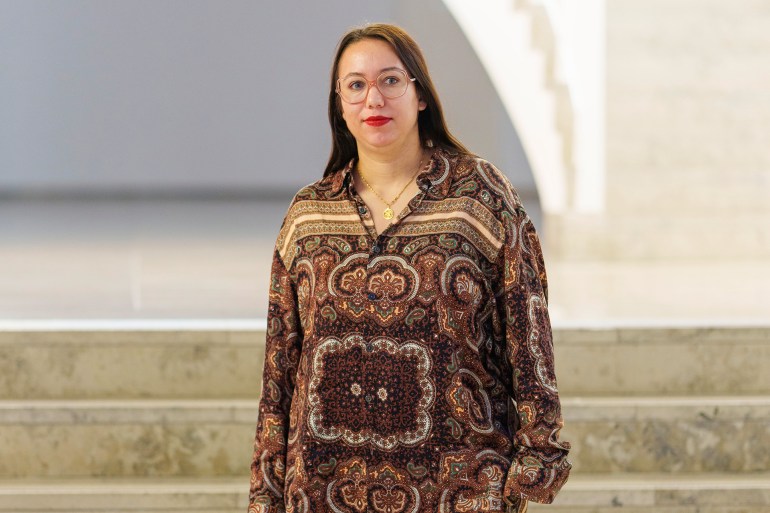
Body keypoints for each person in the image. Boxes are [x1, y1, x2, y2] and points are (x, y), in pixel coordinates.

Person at [248, 23, 570, 513]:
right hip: (325, 489)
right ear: (339, 103)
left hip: (459, 490)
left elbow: (529, 340)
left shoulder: (479, 197)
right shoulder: (308, 216)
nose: (373, 98)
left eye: (391, 80)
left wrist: (530, 470)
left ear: (420, 94)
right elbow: (280, 375)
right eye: (355, 85)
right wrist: (267, 496)